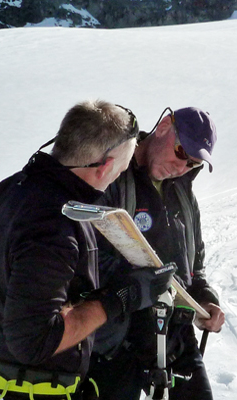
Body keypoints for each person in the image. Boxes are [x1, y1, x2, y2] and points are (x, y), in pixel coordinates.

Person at [0, 100, 176, 400]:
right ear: (107, 166)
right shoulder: (54, 220)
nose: (118, 178)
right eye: (121, 170)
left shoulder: (9, 190)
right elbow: (34, 340)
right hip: (24, 391)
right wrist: (120, 299)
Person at [88, 107, 225, 400]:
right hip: (116, 338)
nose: (182, 167)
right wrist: (139, 284)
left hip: (174, 334)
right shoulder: (112, 174)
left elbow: (194, 267)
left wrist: (206, 299)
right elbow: (85, 257)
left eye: (193, 163)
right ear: (164, 125)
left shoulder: (184, 196)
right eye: (180, 152)